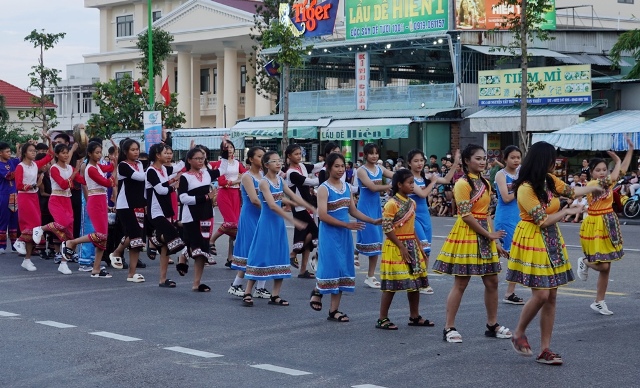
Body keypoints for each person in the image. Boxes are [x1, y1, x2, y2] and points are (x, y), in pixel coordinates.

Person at [507, 141, 603, 365]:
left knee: (551, 296)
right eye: (552, 158)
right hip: (533, 237)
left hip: (551, 238)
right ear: (543, 160)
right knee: (541, 294)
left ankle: (545, 350)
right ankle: (518, 332)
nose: (555, 162)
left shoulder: (549, 180)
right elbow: (542, 220)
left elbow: (572, 190)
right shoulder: (525, 188)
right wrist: (567, 210)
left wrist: (593, 187)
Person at [432, 144, 511, 343]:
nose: (483, 161)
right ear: (467, 161)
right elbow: (466, 216)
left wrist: (495, 241)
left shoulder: (485, 182)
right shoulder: (462, 184)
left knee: (492, 281)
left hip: (484, 233)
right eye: (478, 158)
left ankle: (492, 324)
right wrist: (489, 235)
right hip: (468, 233)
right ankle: (449, 327)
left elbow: (485, 214)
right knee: (461, 282)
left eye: (484, 158)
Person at [309, 153, 380, 322]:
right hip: (330, 234)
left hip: (344, 234)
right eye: (337, 166)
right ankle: (318, 291)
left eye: (343, 166)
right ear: (328, 167)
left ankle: (334, 310)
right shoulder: (324, 189)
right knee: (330, 266)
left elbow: (352, 210)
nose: (341, 170)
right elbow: (323, 215)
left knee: (342, 267)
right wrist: (347, 225)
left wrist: (372, 220)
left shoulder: (347, 187)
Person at [241, 151, 315, 307]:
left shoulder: (280, 180)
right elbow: (273, 205)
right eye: (274, 161)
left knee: (280, 255)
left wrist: (311, 207)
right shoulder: (263, 182)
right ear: (266, 165)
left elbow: (293, 197)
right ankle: (248, 292)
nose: (278, 163)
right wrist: (292, 219)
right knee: (260, 256)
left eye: (279, 160)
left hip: (278, 225)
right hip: (266, 223)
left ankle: (275, 295)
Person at [576, 140, 634, 315]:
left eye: (604, 170)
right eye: (598, 170)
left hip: (609, 221)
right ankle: (584, 262)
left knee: (607, 266)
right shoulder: (592, 185)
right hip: (595, 225)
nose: (602, 173)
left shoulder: (607, 181)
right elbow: (616, 175)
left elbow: (622, 169)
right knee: (603, 266)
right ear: (592, 172)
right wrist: (616, 162)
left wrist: (630, 150)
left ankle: (599, 301)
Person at [375, 169, 432, 330]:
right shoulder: (391, 204)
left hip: (411, 245)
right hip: (396, 246)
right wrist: (401, 246)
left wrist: (419, 246)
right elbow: (387, 228)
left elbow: (411, 227)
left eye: (413, 183)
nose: (413, 186)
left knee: (415, 282)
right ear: (399, 185)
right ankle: (382, 318)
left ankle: (414, 316)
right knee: (392, 284)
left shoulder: (412, 203)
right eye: (410, 183)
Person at [406, 149, 460, 295]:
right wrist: (433, 182)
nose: (419, 163)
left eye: (421, 161)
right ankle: (418, 278)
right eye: (416, 161)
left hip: (425, 216)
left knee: (427, 250)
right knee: (423, 247)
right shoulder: (409, 178)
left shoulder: (426, 176)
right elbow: (423, 193)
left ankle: (422, 279)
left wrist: (455, 164)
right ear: (409, 163)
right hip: (413, 216)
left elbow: (447, 180)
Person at [62, 142, 115, 278]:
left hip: (101, 200)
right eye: (96, 152)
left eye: (100, 152)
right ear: (90, 153)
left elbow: (109, 167)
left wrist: (115, 158)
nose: (99, 155)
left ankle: (96, 268)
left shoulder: (97, 166)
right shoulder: (90, 168)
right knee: (100, 235)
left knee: (103, 238)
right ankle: (72, 242)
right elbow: (107, 183)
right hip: (95, 200)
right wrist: (114, 173)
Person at [32, 143, 84, 275]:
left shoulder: (70, 168)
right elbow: (63, 184)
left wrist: (93, 174)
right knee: (62, 224)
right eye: (63, 152)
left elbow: (81, 180)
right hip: (56, 200)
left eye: (67, 152)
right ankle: (40, 229)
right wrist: (76, 171)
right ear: (56, 154)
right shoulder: (54, 168)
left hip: (67, 201)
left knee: (69, 235)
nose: (66, 155)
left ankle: (63, 263)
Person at [228, 146, 271, 300]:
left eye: (264, 156)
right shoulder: (247, 176)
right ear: (251, 159)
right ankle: (236, 285)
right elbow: (254, 199)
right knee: (252, 251)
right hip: (251, 216)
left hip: (263, 216)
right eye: (259, 156)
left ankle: (260, 288)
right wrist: (272, 208)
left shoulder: (263, 175)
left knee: (263, 249)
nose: (263, 159)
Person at [179, 148, 220, 292]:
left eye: (202, 158)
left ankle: (197, 283)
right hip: (190, 216)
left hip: (206, 214)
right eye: (197, 158)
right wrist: (205, 197)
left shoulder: (207, 174)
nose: (200, 160)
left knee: (202, 249)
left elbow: (224, 169)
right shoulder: (185, 177)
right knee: (194, 246)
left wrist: (226, 148)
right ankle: (183, 258)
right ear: (189, 160)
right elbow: (183, 198)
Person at [145, 143, 186, 288]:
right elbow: (161, 190)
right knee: (174, 236)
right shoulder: (150, 171)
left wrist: (190, 155)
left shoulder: (163, 169)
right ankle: (155, 240)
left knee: (165, 247)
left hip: (166, 209)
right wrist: (174, 186)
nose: (168, 155)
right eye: (165, 152)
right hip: (156, 211)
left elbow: (177, 168)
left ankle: (163, 279)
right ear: (157, 155)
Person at [356, 143, 394, 288]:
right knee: (369, 236)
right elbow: (372, 188)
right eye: (371, 153)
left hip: (376, 207)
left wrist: (407, 175)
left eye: (376, 153)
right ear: (365, 155)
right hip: (364, 208)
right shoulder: (361, 170)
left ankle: (370, 276)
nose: (374, 156)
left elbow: (394, 175)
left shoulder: (380, 168)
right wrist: (391, 186)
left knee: (376, 241)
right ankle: (356, 252)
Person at [111, 139, 147, 283]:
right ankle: (129, 271)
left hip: (138, 204)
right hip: (125, 205)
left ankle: (118, 254)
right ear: (125, 152)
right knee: (136, 238)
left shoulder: (140, 164)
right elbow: (140, 177)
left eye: (137, 149)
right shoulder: (123, 166)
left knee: (136, 236)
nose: (136, 152)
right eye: (132, 149)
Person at [14, 140, 54, 270]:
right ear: (25, 153)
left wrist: (49, 140)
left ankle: (27, 259)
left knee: (36, 227)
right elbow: (18, 185)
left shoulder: (35, 165)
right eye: (31, 151)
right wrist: (33, 185)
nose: (33, 153)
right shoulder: (20, 166)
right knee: (29, 225)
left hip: (33, 197)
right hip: (24, 197)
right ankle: (19, 241)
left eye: (34, 151)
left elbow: (50, 155)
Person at [493, 145, 525, 305]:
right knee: (511, 253)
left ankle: (509, 292)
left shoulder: (522, 174)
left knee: (516, 254)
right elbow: (505, 198)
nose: (516, 160)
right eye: (512, 157)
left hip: (520, 216)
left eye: (518, 157)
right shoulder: (501, 175)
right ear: (505, 159)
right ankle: (502, 289)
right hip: (505, 217)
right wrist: (521, 187)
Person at [285, 144, 319, 278]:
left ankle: (303, 270)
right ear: (289, 156)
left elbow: (316, 166)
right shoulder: (291, 173)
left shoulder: (302, 166)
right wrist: (324, 177)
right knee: (314, 231)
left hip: (308, 205)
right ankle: (293, 253)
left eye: (300, 153)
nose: (299, 156)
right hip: (299, 207)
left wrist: (330, 161)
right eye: (296, 154)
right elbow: (309, 182)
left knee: (308, 237)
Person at [209, 138, 245, 265]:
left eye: (231, 147)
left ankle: (230, 258)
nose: (229, 149)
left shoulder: (237, 163)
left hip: (235, 194)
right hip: (224, 194)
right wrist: (236, 181)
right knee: (230, 223)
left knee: (235, 225)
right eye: (227, 147)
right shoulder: (221, 163)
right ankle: (211, 241)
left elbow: (246, 175)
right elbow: (222, 182)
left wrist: (235, 181)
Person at [0, 142, 20, 254]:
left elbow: (19, 159)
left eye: (9, 151)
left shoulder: (11, 162)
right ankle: (1, 245)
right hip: (3, 195)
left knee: (14, 220)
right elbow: (9, 176)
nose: (9, 154)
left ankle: (14, 245)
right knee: (3, 220)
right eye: (7, 152)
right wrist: (21, 171)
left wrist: (19, 148)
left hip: (14, 194)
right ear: (0, 153)